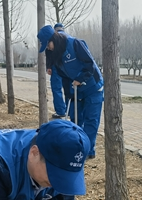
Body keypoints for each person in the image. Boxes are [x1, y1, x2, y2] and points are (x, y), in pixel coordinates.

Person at [38, 25, 103, 159]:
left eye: (48, 45)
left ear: (53, 39)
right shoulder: (55, 54)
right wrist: (69, 95)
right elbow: (65, 77)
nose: (48, 48)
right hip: (76, 88)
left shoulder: (75, 44)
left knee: (91, 120)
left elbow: (89, 64)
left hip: (93, 87)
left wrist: (80, 78)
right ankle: (76, 147)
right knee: (75, 117)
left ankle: (87, 151)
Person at [48, 23, 68, 120]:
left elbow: (48, 53)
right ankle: (70, 110)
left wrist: (49, 66)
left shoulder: (53, 39)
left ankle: (61, 111)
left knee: (56, 89)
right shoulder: (67, 37)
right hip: (68, 66)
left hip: (56, 66)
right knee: (69, 89)